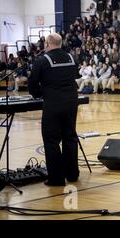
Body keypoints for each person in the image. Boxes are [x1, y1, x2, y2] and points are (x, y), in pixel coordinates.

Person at [28, 33, 80, 186]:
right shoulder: (71, 58)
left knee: (51, 140)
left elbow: (32, 84)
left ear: (47, 44)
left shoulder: (42, 60)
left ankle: (56, 178)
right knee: (70, 137)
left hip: (53, 104)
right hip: (71, 103)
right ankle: (72, 174)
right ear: (61, 43)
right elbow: (74, 76)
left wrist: (40, 94)